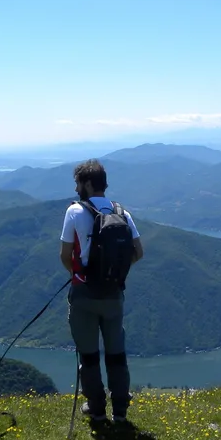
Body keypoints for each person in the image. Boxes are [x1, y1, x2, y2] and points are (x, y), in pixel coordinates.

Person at [60, 160, 143, 423]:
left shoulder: (74, 211)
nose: (76, 188)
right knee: (116, 354)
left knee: (89, 355)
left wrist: (80, 275)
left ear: (86, 183)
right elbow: (138, 252)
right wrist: (114, 274)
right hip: (114, 294)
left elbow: (64, 255)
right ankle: (120, 411)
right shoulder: (123, 213)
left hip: (84, 295)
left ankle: (96, 410)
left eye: (77, 183)